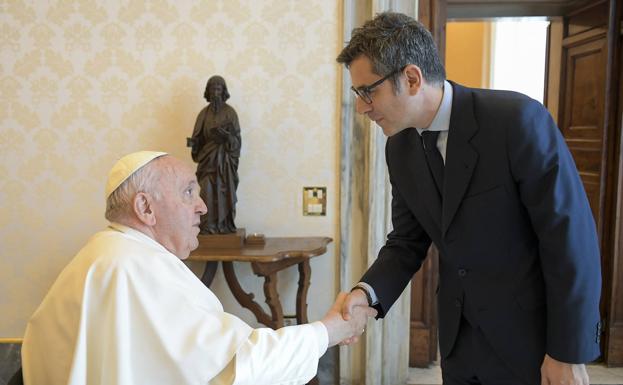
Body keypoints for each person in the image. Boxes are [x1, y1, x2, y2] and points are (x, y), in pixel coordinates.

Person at [337, 12, 601, 385]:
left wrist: (568, 352)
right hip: (458, 343)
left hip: (532, 340)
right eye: (357, 94)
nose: (362, 107)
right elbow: (407, 242)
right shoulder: (400, 148)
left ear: (411, 78)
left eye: (369, 91)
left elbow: (571, 240)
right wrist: (366, 295)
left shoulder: (517, 121)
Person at [21, 151, 375, 385]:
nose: (204, 207)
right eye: (189, 192)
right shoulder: (138, 267)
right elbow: (239, 367)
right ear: (145, 207)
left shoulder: (100, 254)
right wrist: (330, 330)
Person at [190, 75, 241, 234]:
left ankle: (225, 226)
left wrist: (227, 137)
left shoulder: (230, 113)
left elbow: (237, 141)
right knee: (207, 195)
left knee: (226, 195)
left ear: (223, 91)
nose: (216, 93)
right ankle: (208, 227)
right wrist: (193, 144)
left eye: (219, 89)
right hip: (207, 163)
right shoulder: (203, 114)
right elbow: (197, 138)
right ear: (208, 91)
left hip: (225, 165)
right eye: (213, 89)